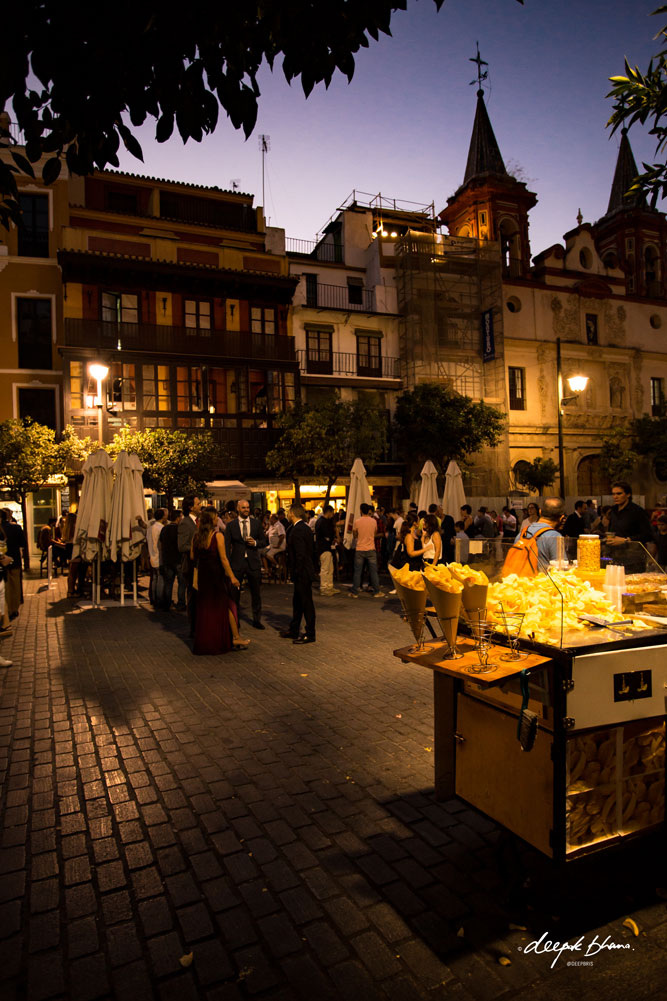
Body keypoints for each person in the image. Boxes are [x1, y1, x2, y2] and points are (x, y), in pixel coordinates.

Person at [190, 511, 249, 654]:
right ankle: (234, 637)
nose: (218, 519)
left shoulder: (196, 537)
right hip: (216, 576)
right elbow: (223, 559)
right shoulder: (218, 536)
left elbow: (193, 557)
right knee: (226, 605)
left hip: (204, 576)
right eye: (216, 517)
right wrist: (233, 577)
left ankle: (209, 640)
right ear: (211, 521)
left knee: (206, 609)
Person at [226, 499, 268, 629]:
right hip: (237, 563)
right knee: (235, 594)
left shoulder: (255, 524)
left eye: (248, 508)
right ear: (238, 509)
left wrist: (255, 543)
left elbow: (264, 541)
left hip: (253, 562)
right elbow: (227, 546)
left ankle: (257, 620)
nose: (246, 510)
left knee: (256, 593)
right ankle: (235, 620)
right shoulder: (231, 525)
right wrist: (227, 565)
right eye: (243, 508)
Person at [280, 505, 318, 644]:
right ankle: (294, 628)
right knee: (298, 602)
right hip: (305, 570)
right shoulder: (305, 528)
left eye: (288, 513)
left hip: (302, 572)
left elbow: (300, 554)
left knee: (306, 602)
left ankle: (310, 633)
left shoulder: (297, 530)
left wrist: (296, 571)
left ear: (292, 513)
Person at [514, 497, 565, 570]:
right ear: (561, 518)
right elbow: (560, 569)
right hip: (543, 580)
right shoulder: (555, 537)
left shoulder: (521, 534)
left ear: (540, 511)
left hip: (521, 580)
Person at [349, 503, 384, 598]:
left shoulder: (357, 521)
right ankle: (377, 592)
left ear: (360, 510)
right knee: (373, 571)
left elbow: (355, 535)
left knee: (358, 571)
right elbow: (375, 533)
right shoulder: (373, 521)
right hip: (371, 549)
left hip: (360, 549)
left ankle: (355, 592)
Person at [178, 495, 201, 632]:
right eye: (198, 504)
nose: (200, 505)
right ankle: (193, 626)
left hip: (199, 565)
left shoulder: (199, 521)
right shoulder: (185, 523)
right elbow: (181, 546)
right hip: (191, 565)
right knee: (192, 597)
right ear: (190, 507)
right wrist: (198, 546)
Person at [0, 510, 26, 620]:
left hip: (2, 560)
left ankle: (7, 608)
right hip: (15, 559)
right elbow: (22, 544)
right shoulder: (17, 528)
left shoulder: (1, 529)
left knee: (5, 586)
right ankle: (14, 609)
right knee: (15, 584)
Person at [158, 510, 182, 610]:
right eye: (180, 517)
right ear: (177, 518)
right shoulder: (179, 529)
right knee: (181, 583)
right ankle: (181, 603)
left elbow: (161, 541)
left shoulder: (164, 529)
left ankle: (166, 604)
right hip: (178, 559)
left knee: (168, 583)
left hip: (167, 559)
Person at [315, 505, 339, 595]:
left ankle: (329, 586)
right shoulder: (322, 522)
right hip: (324, 548)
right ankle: (324, 588)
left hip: (328, 548)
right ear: (328, 512)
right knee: (325, 568)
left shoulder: (325, 521)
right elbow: (326, 535)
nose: (333, 515)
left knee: (330, 568)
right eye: (332, 513)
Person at [147, 508, 167, 606]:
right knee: (160, 578)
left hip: (151, 555)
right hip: (159, 556)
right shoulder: (161, 528)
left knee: (154, 578)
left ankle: (153, 598)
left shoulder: (150, 528)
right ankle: (159, 599)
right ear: (163, 516)